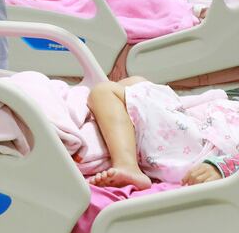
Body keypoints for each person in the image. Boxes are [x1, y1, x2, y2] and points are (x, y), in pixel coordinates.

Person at [87, 77, 239, 189]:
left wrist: (222, 167)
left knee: (103, 91)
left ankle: (127, 166)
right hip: (212, 122)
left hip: (208, 147)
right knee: (135, 82)